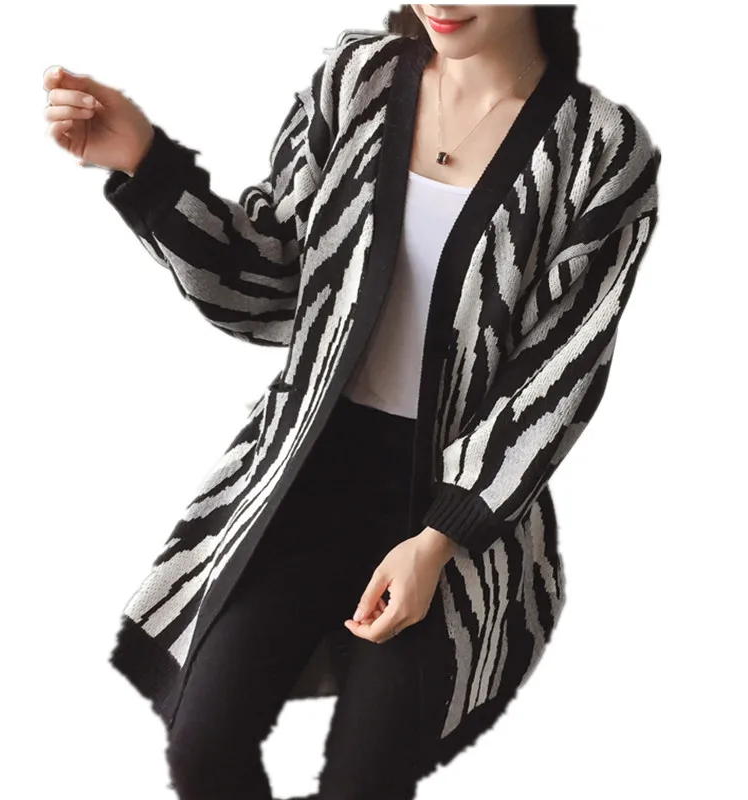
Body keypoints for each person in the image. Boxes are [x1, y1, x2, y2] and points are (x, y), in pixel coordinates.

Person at [42, 5, 660, 799]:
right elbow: (272, 284)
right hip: (305, 479)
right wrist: (147, 164)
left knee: (363, 783)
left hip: (456, 507)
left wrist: (437, 541)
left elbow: (559, 375)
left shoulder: (600, 151)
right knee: (203, 747)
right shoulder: (355, 81)